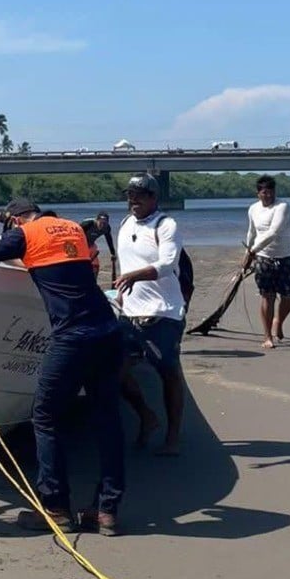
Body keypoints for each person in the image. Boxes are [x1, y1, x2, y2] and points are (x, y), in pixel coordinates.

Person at [0, 198, 127, 535]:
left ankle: (55, 506)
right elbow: (55, 263)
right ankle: (106, 511)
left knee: (45, 416)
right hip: (108, 331)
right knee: (107, 420)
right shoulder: (73, 229)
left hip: (72, 336)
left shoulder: (24, 233)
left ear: (17, 220)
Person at [114, 174, 186, 456]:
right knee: (113, 371)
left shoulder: (166, 225)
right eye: (130, 194)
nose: (133, 199)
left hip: (162, 314)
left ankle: (173, 437)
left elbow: (168, 264)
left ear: (154, 197)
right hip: (129, 313)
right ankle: (146, 415)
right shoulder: (124, 223)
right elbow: (124, 262)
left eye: (140, 194)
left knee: (168, 374)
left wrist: (135, 276)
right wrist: (119, 290)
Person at [243, 175, 290, 349]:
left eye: (271, 192)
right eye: (264, 192)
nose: (268, 196)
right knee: (268, 296)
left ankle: (279, 322)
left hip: (286, 256)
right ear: (258, 193)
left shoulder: (282, 207)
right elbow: (251, 233)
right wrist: (247, 254)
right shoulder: (253, 209)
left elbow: (273, 232)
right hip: (264, 258)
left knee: (288, 296)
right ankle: (267, 336)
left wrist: (253, 251)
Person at [80, 211, 118, 280]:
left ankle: (93, 282)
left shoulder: (107, 228)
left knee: (95, 266)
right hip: (80, 244)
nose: (102, 225)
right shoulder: (88, 224)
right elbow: (76, 234)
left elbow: (109, 239)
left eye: (105, 223)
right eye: (101, 223)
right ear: (96, 220)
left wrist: (112, 253)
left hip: (91, 244)